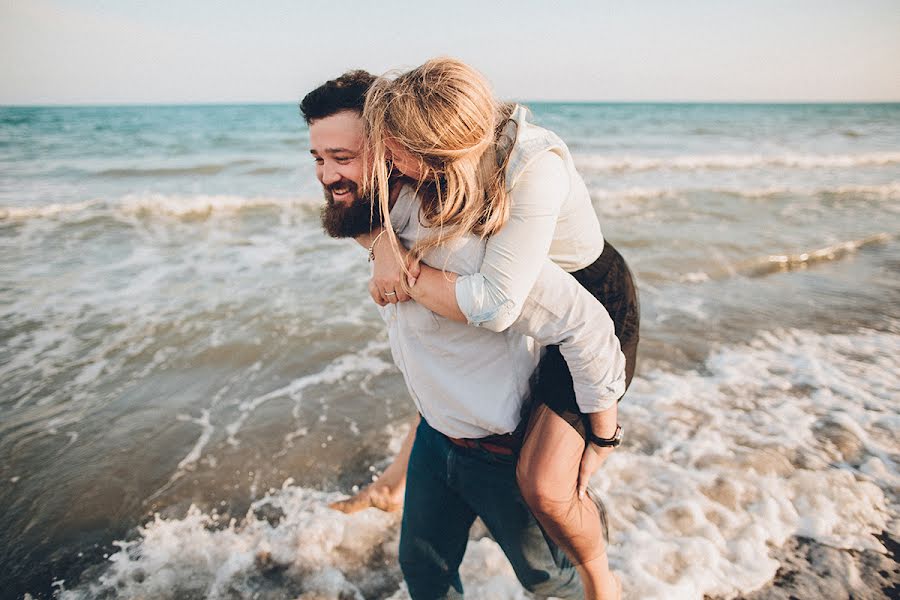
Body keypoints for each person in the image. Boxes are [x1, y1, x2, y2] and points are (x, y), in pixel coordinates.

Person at [302, 70, 626, 599]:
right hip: (435, 441)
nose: (327, 177)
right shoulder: (380, 216)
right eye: (318, 159)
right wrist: (382, 242)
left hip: (499, 451)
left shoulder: (467, 242)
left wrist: (602, 432)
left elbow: (584, 321)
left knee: (550, 582)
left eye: (344, 158)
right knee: (423, 571)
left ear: (393, 151)